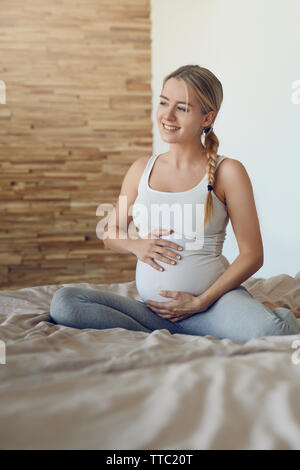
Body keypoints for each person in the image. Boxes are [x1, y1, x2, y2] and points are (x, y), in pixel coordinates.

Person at [50, 64, 300, 344]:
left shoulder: (228, 172)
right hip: (153, 312)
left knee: (277, 333)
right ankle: (188, 327)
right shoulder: (140, 170)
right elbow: (111, 232)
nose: (167, 115)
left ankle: (239, 318)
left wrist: (200, 302)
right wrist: (136, 244)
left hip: (211, 304)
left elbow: (252, 255)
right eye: (163, 102)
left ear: (207, 117)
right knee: (65, 303)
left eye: (182, 108)